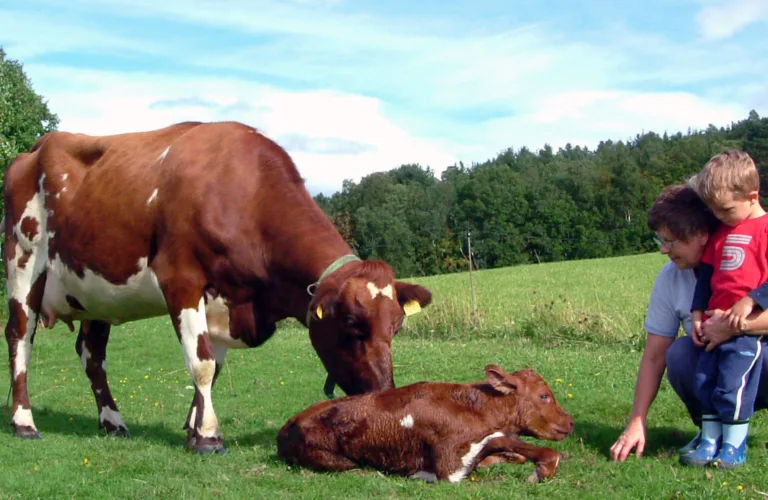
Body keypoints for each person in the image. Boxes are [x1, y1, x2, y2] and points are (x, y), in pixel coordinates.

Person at [609, 182, 768, 464]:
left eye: (671, 241)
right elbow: (655, 355)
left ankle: (734, 437)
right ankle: (713, 433)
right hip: (718, 365)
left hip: (762, 364)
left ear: (702, 235)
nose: (663, 250)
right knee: (681, 353)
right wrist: (637, 421)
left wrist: (734, 326)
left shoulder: (749, 256)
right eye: (661, 240)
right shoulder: (670, 279)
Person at [681, 151, 768, 468]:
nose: (719, 216)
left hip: (746, 335)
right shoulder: (720, 233)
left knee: (733, 385)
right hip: (713, 329)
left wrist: (751, 300)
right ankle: (709, 440)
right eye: (714, 210)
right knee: (705, 383)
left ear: (752, 196)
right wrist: (696, 313)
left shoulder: (765, 228)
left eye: (726, 209)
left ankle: (734, 445)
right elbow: (706, 279)